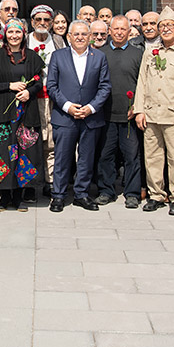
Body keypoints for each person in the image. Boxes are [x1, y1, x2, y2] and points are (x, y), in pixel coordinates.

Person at [132, 7, 174, 214]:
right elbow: (142, 81)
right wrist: (139, 110)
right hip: (151, 114)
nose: (165, 29)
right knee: (152, 157)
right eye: (162, 26)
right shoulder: (151, 51)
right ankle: (156, 194)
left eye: (170, 25)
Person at [46, 20, 111, 212]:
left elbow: (105, 86)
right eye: (76, 34)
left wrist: (91, 108)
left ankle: (81, 194)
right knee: (62, 158)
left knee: (86, 158)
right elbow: (52, 85)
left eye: (84, 34)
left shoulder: (99, 57)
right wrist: (67, 106)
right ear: (69, 36)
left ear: (90, 37)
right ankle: (58, 195)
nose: (80, 37)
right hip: (65, 117)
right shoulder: (58, 56)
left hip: (90, 117)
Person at [0, 18, 46, 211]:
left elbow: (38, 83)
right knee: (4, 154)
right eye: (10, 32)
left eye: (18, 32)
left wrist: (30, 92)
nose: (14, 36)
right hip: (4, 114)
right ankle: (4, 196)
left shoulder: (32, 57)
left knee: (23, 155)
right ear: (5, 34)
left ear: (23, 34)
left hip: (25, 114)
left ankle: (19, 196)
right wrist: (9, 86)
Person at [97, 15, 144, 207]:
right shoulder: (101, 54)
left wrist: (138, 107)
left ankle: (132, 193)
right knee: (105, 155)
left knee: (131, 156)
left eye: (123, 29)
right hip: (106, 115)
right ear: (109, 31)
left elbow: (143, 83)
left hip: (129, 116)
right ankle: (106, 190)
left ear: (129, 31)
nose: (118, 32)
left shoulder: (138, 54)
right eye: (115, 29)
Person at [27, 4, 65, 194]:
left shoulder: (58, 40)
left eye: (46, 20)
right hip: (31, 98)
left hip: (53, 98)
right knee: (33, 140)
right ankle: (32, 182)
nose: (42, 23)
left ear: (51, 23)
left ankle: (50, 182)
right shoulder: (25, 40)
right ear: (32, 21)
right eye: (38, 19)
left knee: (51, 140)